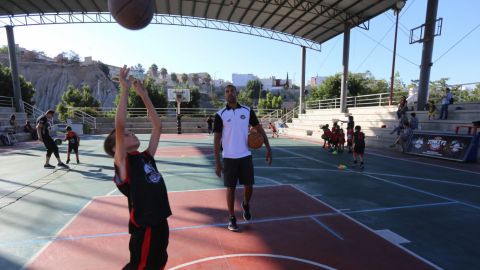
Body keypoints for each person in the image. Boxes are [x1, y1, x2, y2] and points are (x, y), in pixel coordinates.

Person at [103, 66, 171, 269]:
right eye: (124, 136)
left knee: (158, 263)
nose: (130, 133)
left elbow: (157, 126)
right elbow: (120, 125)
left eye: (130, 132)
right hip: (145, 226)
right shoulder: (124, 164)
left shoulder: (146, 157)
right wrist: (124, 90)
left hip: (160, 221)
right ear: (116, 148)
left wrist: (144, 96)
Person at [214, 84, 272, 232]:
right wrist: (217, 162)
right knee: (230, 189)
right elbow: (216, 139)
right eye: (227, 91)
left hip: (245, 155)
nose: (229, 93)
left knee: (249, 186)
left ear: (236, 93)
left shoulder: (247, 111)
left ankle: (245, 204)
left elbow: (259, 129)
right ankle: (232, 218)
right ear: (225, 95)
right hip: (228, 157)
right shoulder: (220, 115)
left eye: (232, 91)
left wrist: (268, 148)